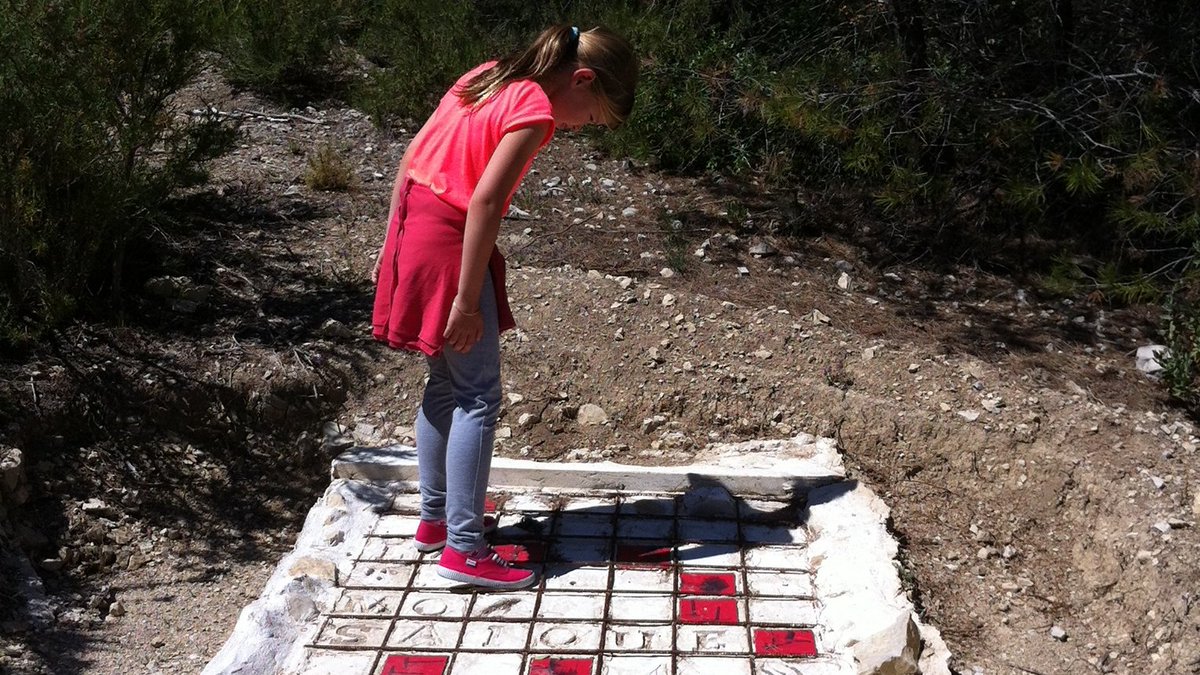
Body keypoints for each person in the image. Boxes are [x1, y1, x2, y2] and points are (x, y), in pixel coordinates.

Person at [371, 24, 637, 590]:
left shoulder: (484, 76)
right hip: (450, 242)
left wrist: (389, 249)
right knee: (477, 396)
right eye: (588, 117)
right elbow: (485, 201)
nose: (574, 128)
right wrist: (467, 301)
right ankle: (465, 551)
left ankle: (436, 521)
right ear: (582, 79)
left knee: (444, 383)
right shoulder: (536, 109)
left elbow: (411, 157)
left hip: (411, 228)